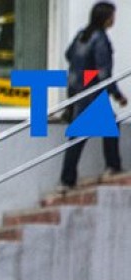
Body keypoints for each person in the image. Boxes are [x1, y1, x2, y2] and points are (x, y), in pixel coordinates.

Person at [60, 2, 126, 189]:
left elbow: (68, 54)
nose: (114, 20)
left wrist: (82, 69)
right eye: (112, 16)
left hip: (76, 88)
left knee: (106, 125)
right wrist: (116, 94)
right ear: (106, 18)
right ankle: (69, 178)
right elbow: (103, 72)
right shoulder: (100, 39)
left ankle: (109, 166)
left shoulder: (82, 35)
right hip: (92, 91)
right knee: (81, 133)